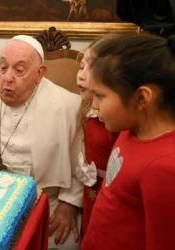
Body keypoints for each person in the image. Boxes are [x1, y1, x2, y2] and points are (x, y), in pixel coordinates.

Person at [0, 35, 83, 249]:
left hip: (46, 201)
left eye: (19, 71)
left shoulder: (68, 106)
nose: (7, 78)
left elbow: (81, 167)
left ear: (40, 74)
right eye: (3, 68)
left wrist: (69, 203)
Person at [81, 34, 175, 250]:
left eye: (100, 96)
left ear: (141, 98)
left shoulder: (164, 169)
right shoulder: (129, 128)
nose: (94, 105)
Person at [74, 38, 118, 238]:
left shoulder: (116, 119)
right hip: (89, 190)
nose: (81, 76)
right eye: (80, 67)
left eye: (88, 69)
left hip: (111, 193)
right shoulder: (84, 108)